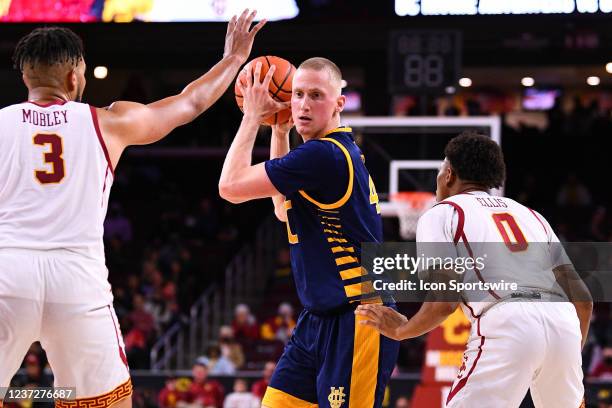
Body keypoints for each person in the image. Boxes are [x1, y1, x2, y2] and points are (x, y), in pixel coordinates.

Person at [0, 10, 264, 407]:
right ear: (75, 77)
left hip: (8, 271)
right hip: (77, 278)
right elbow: (189, 103)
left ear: (26, 78)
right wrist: (233, 60)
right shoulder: (108, 121)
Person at [356, 132, 593, 408]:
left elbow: (443, 303)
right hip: (564, 322)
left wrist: (402, 330)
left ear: (449, 174)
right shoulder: (533, 216)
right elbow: (584, 301)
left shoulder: (442, 213)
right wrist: (566, 357)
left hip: (508, 319)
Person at [219, 57, 399, 407]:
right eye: (297, 94)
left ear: (339, 104)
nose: (303, 104)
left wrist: (252, 117)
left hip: (360, 318)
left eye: (316, 95)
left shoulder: (324, 156)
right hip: (316, 321)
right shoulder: (321, 156)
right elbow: (280, 209)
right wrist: (279, 130)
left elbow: (230, 186)